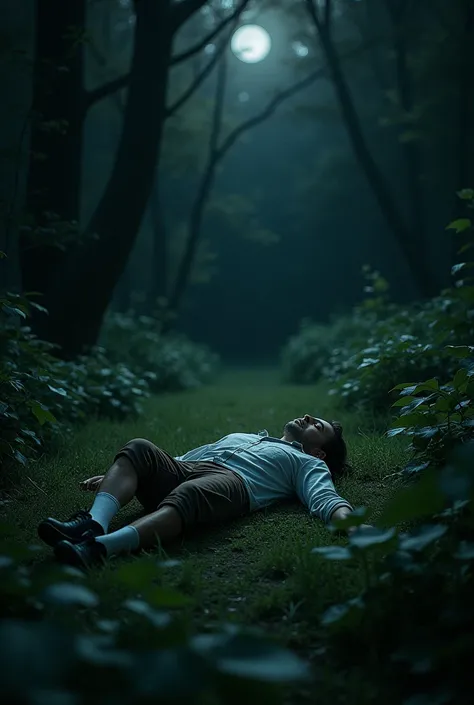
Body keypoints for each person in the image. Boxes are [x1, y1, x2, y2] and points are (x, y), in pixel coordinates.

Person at [37, 414, 356, 569]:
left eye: (319, 427)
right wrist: (126, 471)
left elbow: (325, 499)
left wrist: (349, 523)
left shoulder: (306, 462)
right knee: (139, 448)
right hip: (190, 468)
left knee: (190, 493)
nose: (309, 418)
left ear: (319, 453)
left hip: (234, 483)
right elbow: (183, 460)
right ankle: (93, 524)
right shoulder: (244, 435)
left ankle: (97, 549)